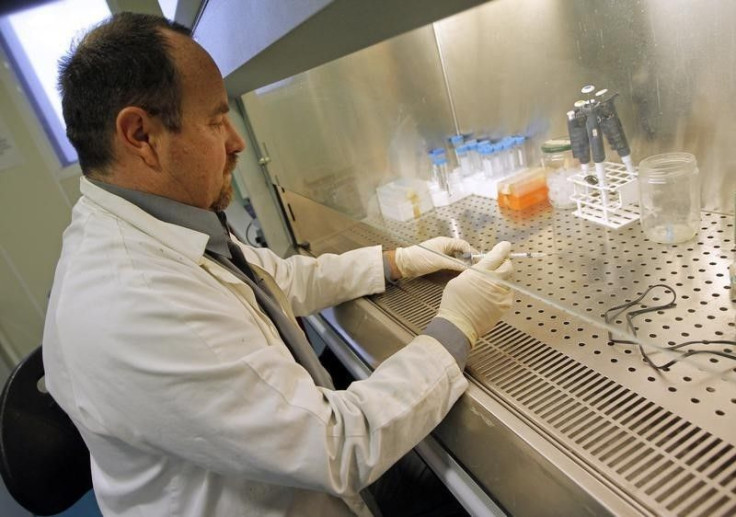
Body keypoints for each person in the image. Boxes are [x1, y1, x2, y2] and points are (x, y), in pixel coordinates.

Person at [42, 12, 513, 517]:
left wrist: (394, 262)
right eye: (216, 121)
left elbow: (275, 279)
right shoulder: (134, 301)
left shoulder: (157, 224)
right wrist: (456, 326)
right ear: (140, 135)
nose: (237, 142)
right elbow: (339, 444)